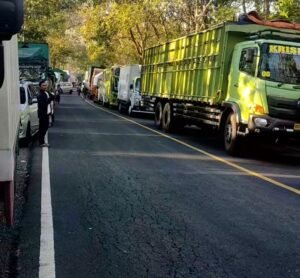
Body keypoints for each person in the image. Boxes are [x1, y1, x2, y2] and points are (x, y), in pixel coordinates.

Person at [37, 80, 51, 147]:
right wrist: (48, 100)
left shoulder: (46, 92)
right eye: (43, 85)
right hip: (42, 115)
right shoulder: (40, 95)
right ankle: (41, 142)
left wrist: (50, 96)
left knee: (45, 127)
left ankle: (42, 142)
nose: (45, 86)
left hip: (47, 113)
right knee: (42, 128)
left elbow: (53, 97)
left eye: (45, 85)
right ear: (40, 87)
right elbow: (43, 104)